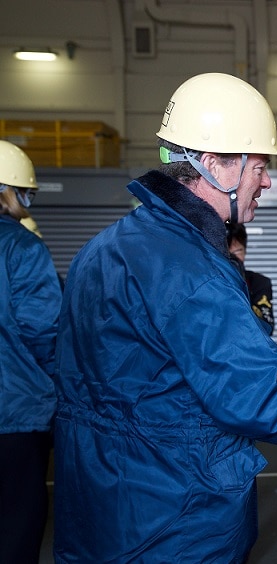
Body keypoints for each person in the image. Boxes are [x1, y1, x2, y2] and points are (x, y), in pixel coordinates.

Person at [51, 72, 277, 563]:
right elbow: (257, 397)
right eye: (259, 165)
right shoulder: (192, 269)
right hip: (175, 521)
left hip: (97, 511)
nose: (267, 180)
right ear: (214, 166)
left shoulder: (100, 249)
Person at [0, 140, 63, 564]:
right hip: (15, 416)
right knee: (15, 528)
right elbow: (45, 332)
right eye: (24, 191)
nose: (27, 201)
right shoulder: (21, 247)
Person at [227, 222, 275, 335]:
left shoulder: (259, 283)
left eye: (237, 251)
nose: (232, 259)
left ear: (245, 251)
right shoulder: (207, 285)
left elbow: (267, 326)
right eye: (227, 253)